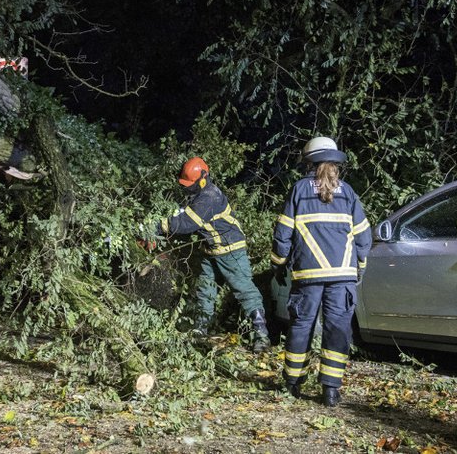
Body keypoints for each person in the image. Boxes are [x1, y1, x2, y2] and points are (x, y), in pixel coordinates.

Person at [271, 137, 371, 407]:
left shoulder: (299, 191)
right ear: (336, 164)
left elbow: (283, 233)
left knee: (301, 327)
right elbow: (363, 237)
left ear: (309, 162)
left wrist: (278, 263)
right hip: (342, 277)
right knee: (337, 329)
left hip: (307, 277)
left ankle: (292, 384)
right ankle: (330, 391)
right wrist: (358, 267)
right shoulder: (348, 193)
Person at [155, 157, 270, 353]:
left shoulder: (209, 197)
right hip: (210, 250)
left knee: (244, 290)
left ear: (202, 179)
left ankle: (261, 335)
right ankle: (200, 331)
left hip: (231, 250)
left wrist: (158, 226)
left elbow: (186, 223)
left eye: (189, 185)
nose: (186, 188)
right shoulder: (198, 196)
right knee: (205, 291)